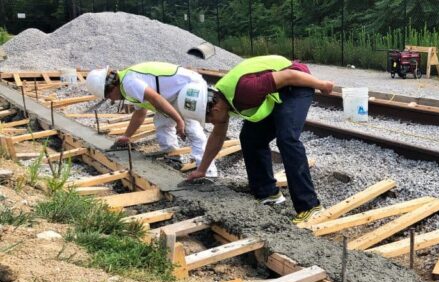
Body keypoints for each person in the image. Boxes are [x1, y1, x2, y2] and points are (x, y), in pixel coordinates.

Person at [179, 55, 334, 224]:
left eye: (209, 120)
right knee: (250, 138)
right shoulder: (223, 99)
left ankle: (310, 207)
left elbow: (289, 76)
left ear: (214, 108)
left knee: (287, 138)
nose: (212, 123)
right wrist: (202, 169)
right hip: (279, 88)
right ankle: (268, 193)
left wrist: (321, 85)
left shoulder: (246, 90)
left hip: (297, 82)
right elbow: (217, 136)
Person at [85, 62, 217, 177]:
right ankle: (173, 157)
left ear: (111, 87)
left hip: (187, 86)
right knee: (162, 122)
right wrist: (127, 136)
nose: (112, 100)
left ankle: (207, 172)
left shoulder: (129, 83)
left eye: (109, 96)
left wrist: (179, 120)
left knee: (191, 128)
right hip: (173, 94)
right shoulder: (126, 84)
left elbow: (156, 99)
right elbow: (140, 112)